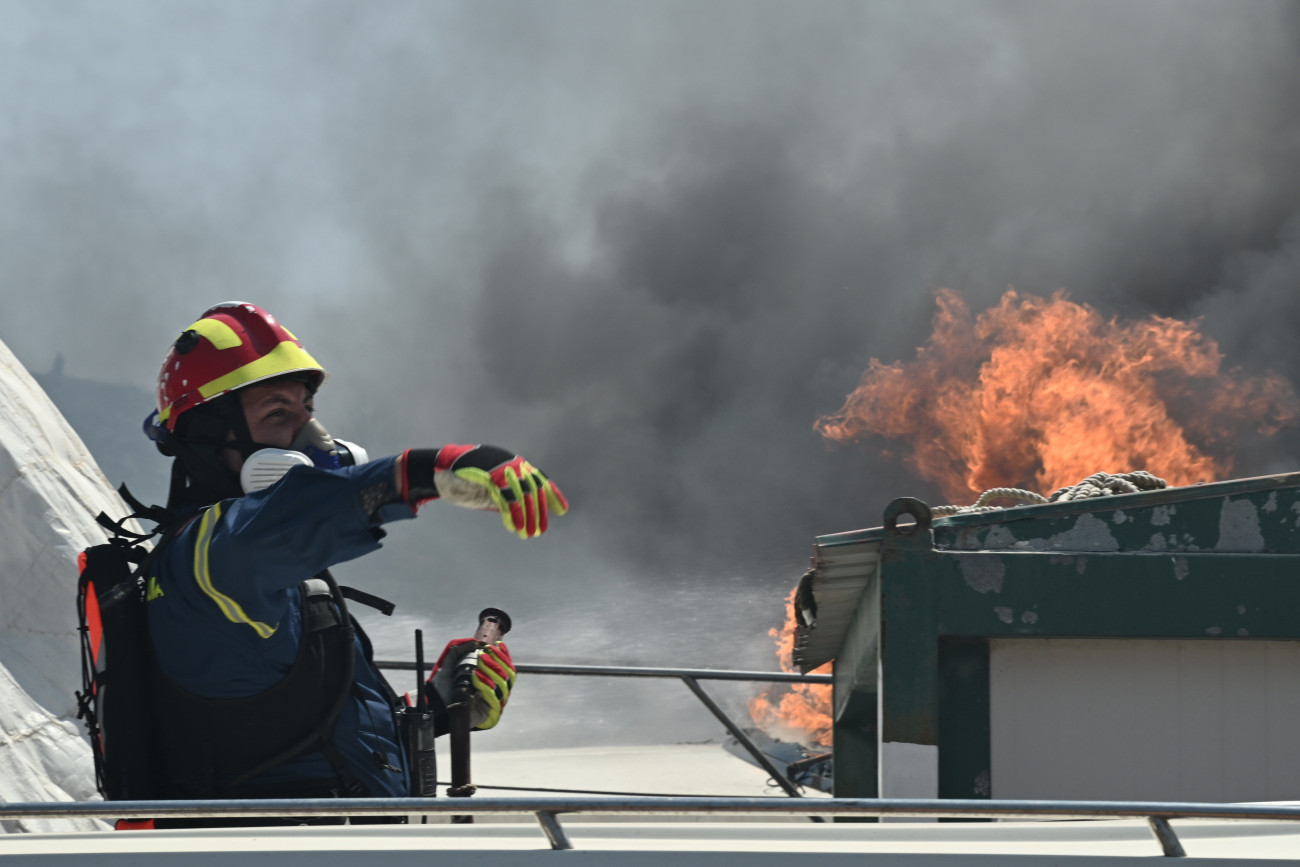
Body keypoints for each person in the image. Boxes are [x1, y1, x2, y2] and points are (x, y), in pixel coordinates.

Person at [136, 300, 566, 812]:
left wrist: (439, 707)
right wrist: (418, 473)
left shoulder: (271, 578)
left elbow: (311, 746)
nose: (315, 440)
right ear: (206, 439)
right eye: (278, 414)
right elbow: (285, 522)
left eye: (307, 413)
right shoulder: (204, 562)